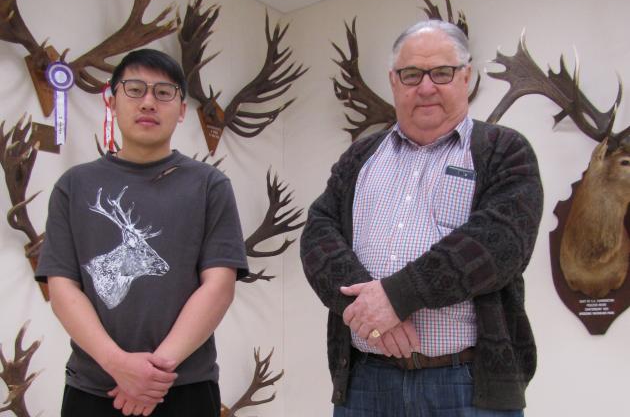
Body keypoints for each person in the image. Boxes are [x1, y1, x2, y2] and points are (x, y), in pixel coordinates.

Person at [300, 20, 543, 416]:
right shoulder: (359, 157)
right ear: (394, 82)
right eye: (411, 74)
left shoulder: (504, 151)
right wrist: (373, 310)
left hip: (467, 385)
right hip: (366, 383)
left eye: (442, 73)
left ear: (466, 77)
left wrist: (398, 296)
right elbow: (318, 235)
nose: (426, 87)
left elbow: (499, 244)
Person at [35, 49, 249, 417]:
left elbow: (218, 287)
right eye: (135, 89)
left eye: (163, 92)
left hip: (184, 389)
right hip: (92, 388)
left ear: (182, 109)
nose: (148, 102)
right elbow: (62, 288)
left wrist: (152, 374)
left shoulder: (210, 186)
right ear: (113, 99)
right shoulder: (74, 186)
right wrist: (117, 364)